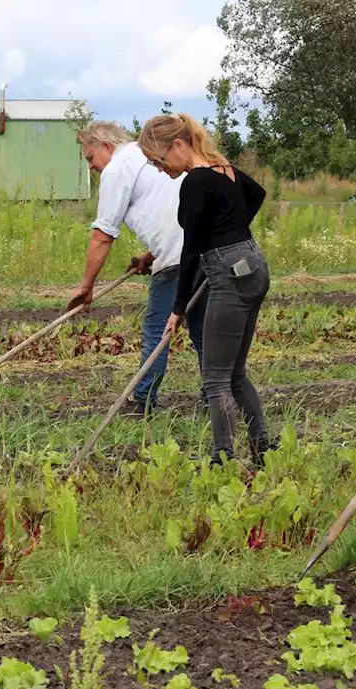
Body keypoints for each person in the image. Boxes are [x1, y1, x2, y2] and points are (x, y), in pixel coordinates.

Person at [137, 113, 274, 467]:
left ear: (178, 145)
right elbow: (256, 194)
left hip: (229, 274)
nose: (159, 167)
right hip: (254, 265)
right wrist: (231, 228)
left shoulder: (195, 181)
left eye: (160, 159)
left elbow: (191, 250)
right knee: (236, 372)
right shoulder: (224, 169)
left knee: (215, 378)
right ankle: (262, 447)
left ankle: (222, 459)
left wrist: (177, 308)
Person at [68, 121, 207, 413]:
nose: (91, 166)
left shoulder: (117, 168)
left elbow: (103, 235)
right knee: (203, 332)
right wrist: (150, 256)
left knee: (158, 330)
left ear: (106, 147)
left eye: (90, 157)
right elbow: (170, 213)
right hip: (203, 251)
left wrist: (86, 287)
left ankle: (142, 400)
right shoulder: (148, 155)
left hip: (176, 261)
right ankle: (217, 396)